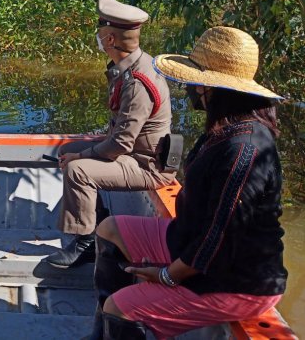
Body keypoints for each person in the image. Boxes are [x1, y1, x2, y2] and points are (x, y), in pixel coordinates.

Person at [91, 26, 288, 339]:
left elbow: (218, 236)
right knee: (109, 229)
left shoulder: (243, 150)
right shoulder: (226, 129)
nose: (189, 89)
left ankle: (117, 321)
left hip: (235, 279)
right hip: (191, 241)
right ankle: (102, 331)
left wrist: (168, 275)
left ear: (214, 89)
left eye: (194, 83)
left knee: (121, 308)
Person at [45, 0, 174, 269]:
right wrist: (77, 151)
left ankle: (86, 242)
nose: (98, 38)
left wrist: (82, 155)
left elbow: (121, 145)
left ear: (111, 40)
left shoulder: (138, 82)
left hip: (147, 165)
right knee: (66, 150)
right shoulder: (131, 68)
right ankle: (95, 216)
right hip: (134, 153)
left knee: (77, 169)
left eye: (101, 33)